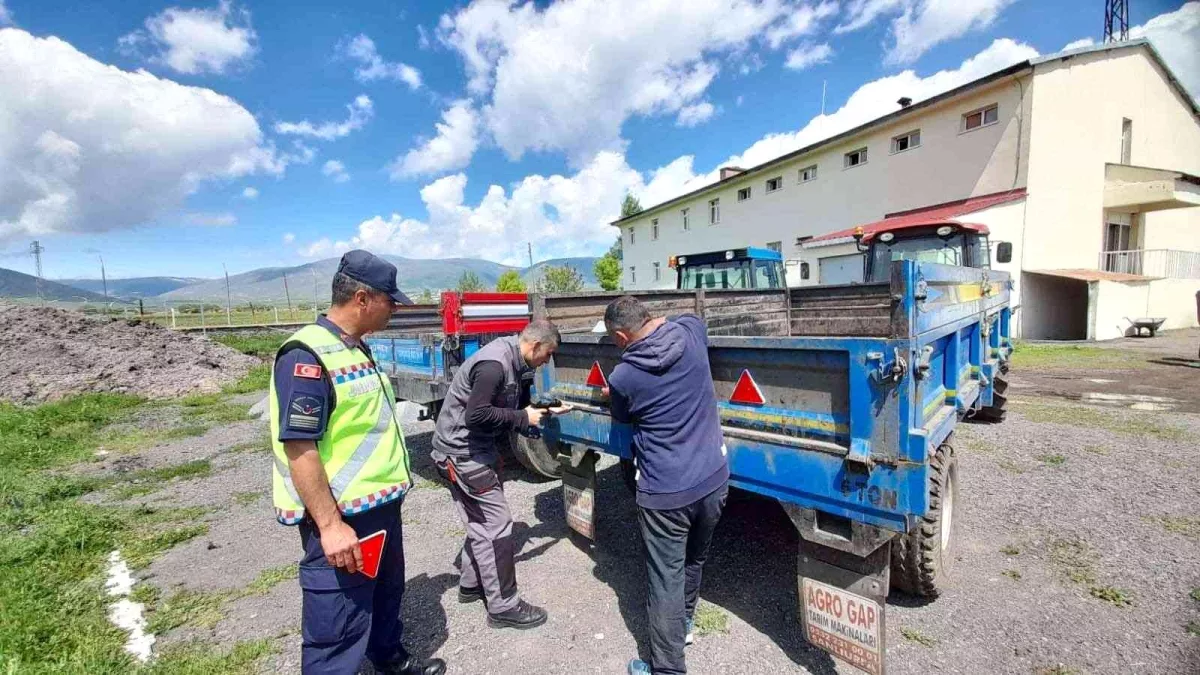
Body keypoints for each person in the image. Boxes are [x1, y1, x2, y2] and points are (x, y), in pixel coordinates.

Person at [269, 249, 446, 675]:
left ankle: (389, 658)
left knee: (385, 594)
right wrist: (330, 526)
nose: (395, 309)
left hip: (378, 506)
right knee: (338, 621)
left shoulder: (353, 346)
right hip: (343, 515)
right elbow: (300, 447)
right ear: (362, 299)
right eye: (390, 301)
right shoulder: (307, 356)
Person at [603, 296, 730, 675]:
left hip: (665, 493)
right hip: (714, 479)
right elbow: (687, 317)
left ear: (621, 337)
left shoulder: (623, 377)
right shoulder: (689, 334)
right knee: (694, 559)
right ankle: (684, 624)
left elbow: (622, 416)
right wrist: (658, 320)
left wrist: (615, 396)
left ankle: (668, 669)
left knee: (665, 580)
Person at [431, 319, 568, 629]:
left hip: (472, 450)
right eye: (548, 354)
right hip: (463, 454)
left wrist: (545, 409)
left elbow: (507, 404)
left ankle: (471, 583)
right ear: (535, 345)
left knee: (480, 521)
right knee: (496, 525)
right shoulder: (494, 365)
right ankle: (504, 606)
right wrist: (523, 417)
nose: (547, 361)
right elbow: (477, 415)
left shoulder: (514, 360)